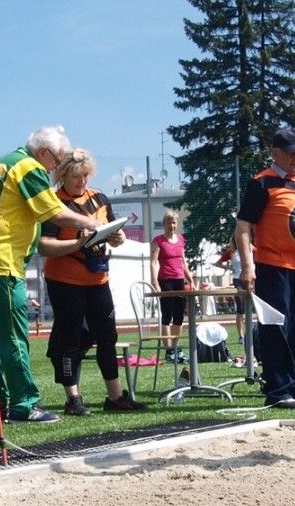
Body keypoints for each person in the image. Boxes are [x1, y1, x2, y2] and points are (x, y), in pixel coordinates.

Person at [0, 125, 108, 423]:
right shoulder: (28, 166)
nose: (54, 169)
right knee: (13, 336)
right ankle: (25, 404)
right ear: (44, 152)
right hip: (2, 262)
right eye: (56, 161)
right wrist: (92, 223)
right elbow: (54, 213)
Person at [234, 127, 295, 408]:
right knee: (277, 329)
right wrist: (248, 267)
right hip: (274, 267)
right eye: (291, 153)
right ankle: (278, 389)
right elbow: (243, 227)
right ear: (275, 153)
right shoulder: (262, 183)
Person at [42, 148, 147, 415]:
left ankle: (116, 397)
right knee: (69, 338)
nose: (82, 181)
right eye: (76, 176)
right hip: (64, 280)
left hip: (98, 279)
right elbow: (44, 245)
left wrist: (118, 237)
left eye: (86, 175)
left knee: (107, 337)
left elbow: (113, 230)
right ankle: (73, 399)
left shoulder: (99, 197)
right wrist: (77, 244)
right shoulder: (54, 202)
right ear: (62, 175)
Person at [150, 210, 193, 360]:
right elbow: (153, 263)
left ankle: (175, 347)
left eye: (174, 223)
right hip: (165, 281)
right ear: (164, 224)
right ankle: (168, 350)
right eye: (169, 223)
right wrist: (155, 282)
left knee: (179, 316)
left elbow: (183, 262)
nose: (172, 226)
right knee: (167, 315)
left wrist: (190, 279)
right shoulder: (158, 241)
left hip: (179, 280)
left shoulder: (181, 239)